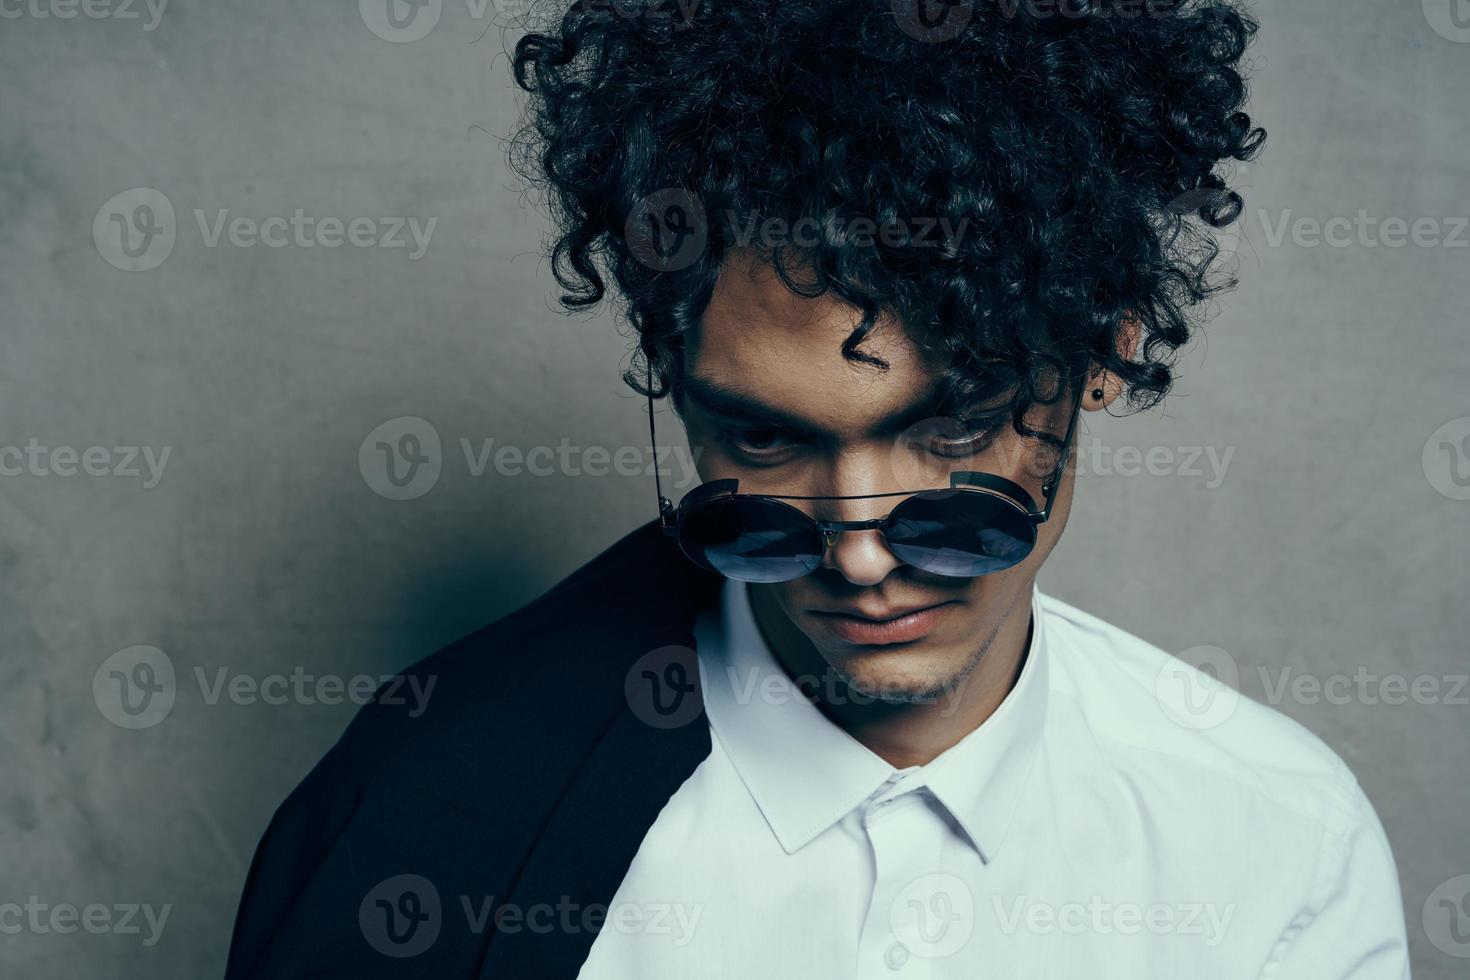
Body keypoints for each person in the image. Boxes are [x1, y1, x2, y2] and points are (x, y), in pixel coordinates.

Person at [224, 0, 1412, 976]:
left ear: (1102, 354)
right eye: (767, 439)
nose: (856, 555)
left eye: (950, 426)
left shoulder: (1277, 836)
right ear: (676, 384)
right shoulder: (423, 814)